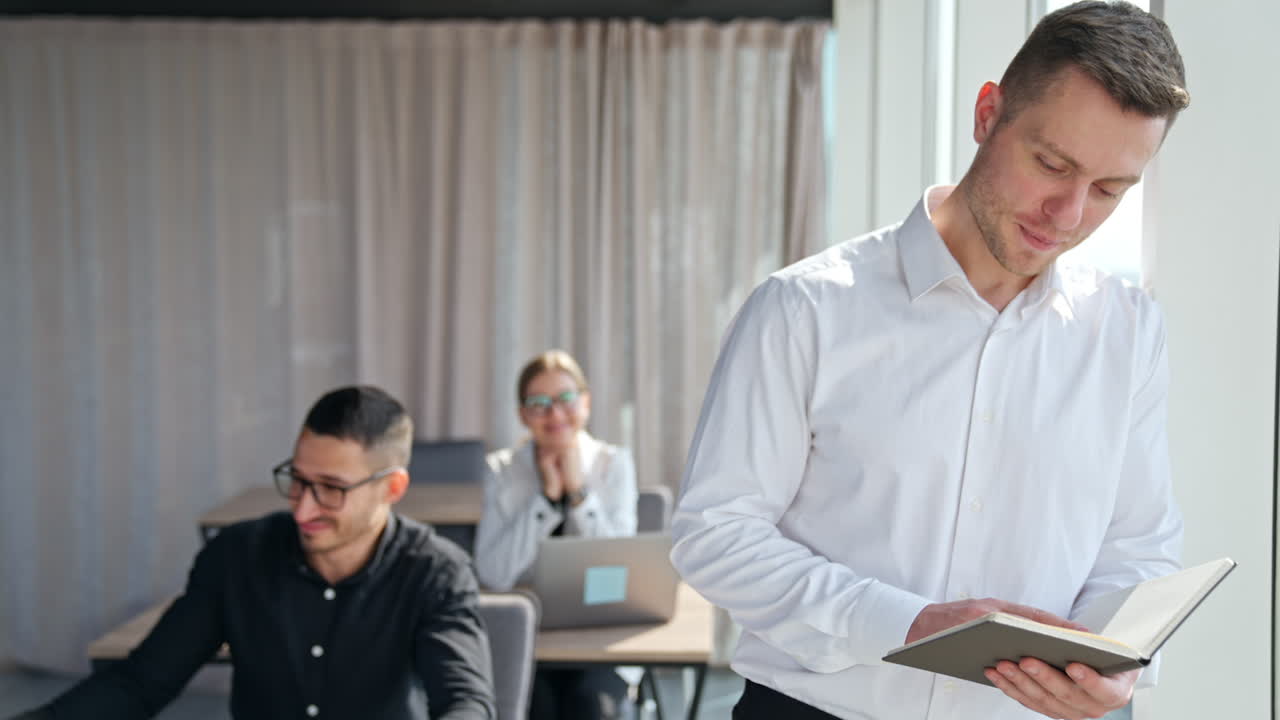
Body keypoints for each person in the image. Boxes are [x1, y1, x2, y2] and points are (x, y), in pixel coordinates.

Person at [669, 3, 1187, 719]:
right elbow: (715, 533)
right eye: (1051, 164)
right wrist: (903, 625)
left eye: (1107, 191)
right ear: (987, 114)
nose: (1067, 215)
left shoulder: (1128, 334)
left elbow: (1138, 546)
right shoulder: (804, 310)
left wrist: (1120, 660)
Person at [13, 386, 496, 720]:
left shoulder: (436, 572)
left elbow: (466, 701)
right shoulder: (237, 557)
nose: (304, 507)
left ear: (392, 487)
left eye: (331, 489)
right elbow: (141, 683)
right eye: (298, 479)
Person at [474, 349, 637, 720]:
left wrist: (578, 494)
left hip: (600, 633)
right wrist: (545, 500)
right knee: (532, 709)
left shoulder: (613, 464)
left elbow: (619, 569)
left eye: (566, 399)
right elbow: (494, 574)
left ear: (586, 402)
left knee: (593, 708)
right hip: (530, 637)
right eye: (539, 403)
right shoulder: (502, 471)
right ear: (522, 415)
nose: (555, 414)